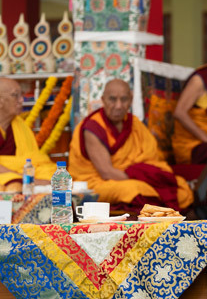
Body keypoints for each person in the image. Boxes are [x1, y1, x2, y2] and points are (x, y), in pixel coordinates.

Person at [69, 79, 193, 213]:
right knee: (134, 190)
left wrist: (148, 178)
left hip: (130, 178)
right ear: (103, 100)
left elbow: (152, 158)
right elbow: (106, 172)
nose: (118, 106)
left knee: (181, 188)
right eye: (112, 99)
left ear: (131, 100)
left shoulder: (134, 124)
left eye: (124, 99)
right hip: (96, 182)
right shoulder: (93, 127)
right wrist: (144, 178)